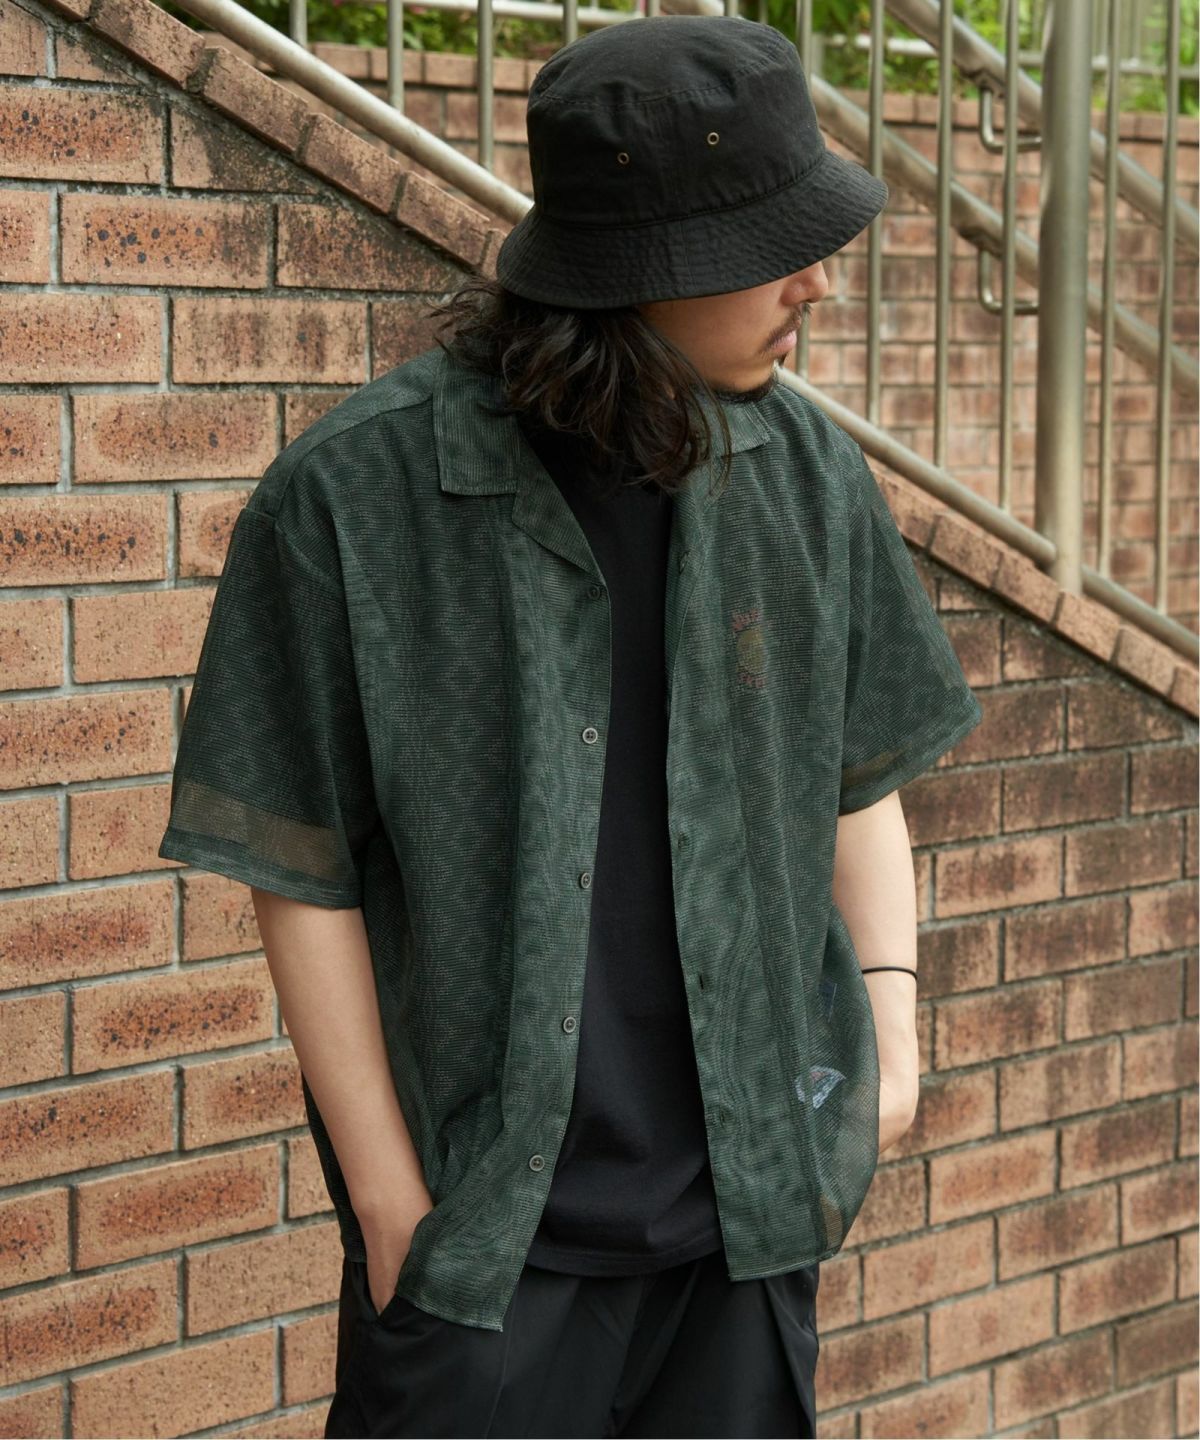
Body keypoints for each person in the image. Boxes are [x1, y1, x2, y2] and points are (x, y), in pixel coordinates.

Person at [158, 14, 983, 1439]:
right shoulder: (357, 497)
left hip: (747, 1227)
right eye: (772, 247)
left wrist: (894, 1047)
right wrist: (390, 1202)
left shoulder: (805, 475)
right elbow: (299, 866)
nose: (815, 281)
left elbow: (858, 779)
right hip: (487, 1254)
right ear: (642, 264)